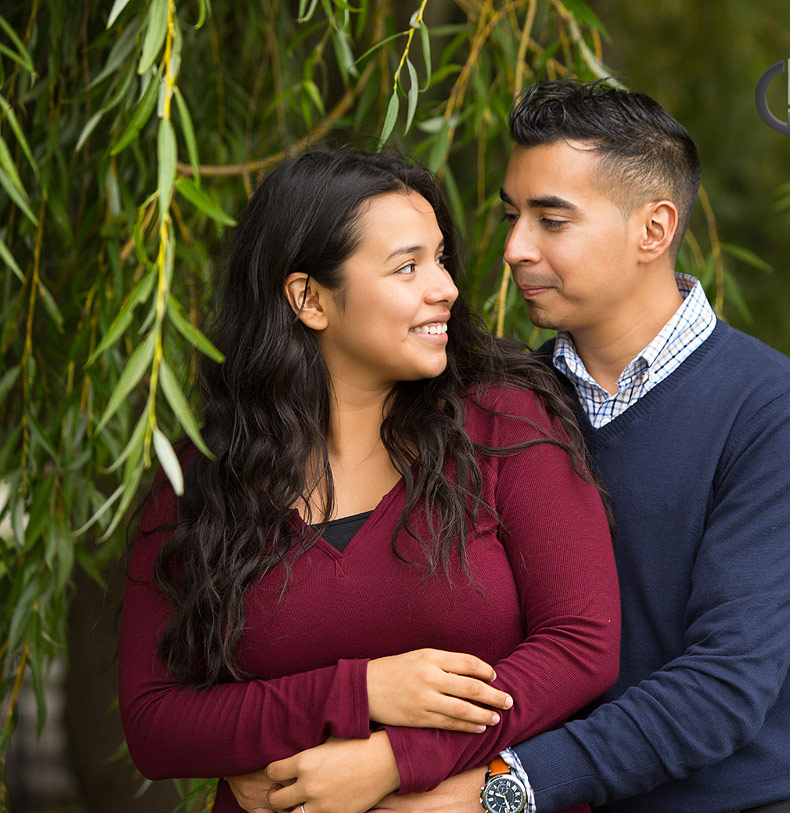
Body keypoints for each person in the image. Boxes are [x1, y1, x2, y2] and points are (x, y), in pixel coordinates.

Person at [389, 79, 790, 813]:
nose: (514, 248)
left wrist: (502, 789)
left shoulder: (771, 410)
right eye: (511, 216)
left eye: (551, 220)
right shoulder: (501, 405)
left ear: (653, 229)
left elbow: (725, 684)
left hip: (751, 799)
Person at [117, 149, 621, 813]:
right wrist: (359, 692)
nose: (444, 286)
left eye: (440, 259)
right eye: (408, 266)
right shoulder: (202, 480)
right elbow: (157, 724)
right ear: (309, 298)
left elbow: (582, 646)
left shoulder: (505, 421)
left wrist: (396, 759)